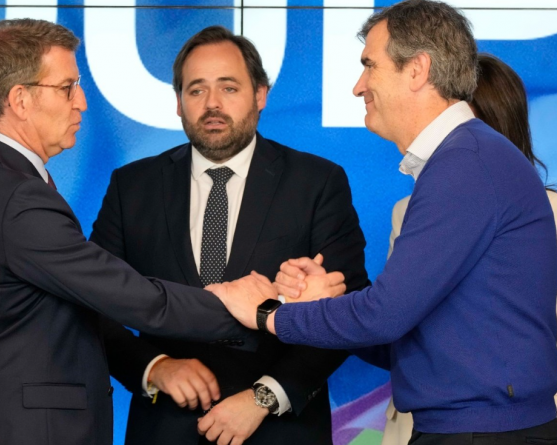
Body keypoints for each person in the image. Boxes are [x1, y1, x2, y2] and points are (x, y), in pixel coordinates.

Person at [216, 0, 557, 442]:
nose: (358, 86)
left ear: (417, 70)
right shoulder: (461, 160)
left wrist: (268, 314)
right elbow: (403, 340)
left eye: (369, 66)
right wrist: (320, 302)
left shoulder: (465, 164)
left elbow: (385, 316)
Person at [0, 19, 275, 445]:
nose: (82, 102)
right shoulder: (17, 197)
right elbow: (130, 297)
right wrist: (257, 309)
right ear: (20, 100)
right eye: (67, 87)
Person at [90, 25, 368, 445]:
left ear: (260, 95)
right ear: (178, 103)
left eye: (229, 88)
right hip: (165, 428)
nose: (212, 104)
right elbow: (92, 304)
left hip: (280, 431)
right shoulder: (132, 187)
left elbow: (344, 309)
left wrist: (265, 397)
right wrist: (155, 367)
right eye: (196, 90)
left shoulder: (317, 183)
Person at [382, 52, 557, 445]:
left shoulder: (550, 211)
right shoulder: (407, 211)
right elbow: (393, 319)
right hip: (420, 420)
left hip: (518, 420)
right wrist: (316, 304)